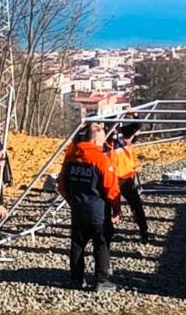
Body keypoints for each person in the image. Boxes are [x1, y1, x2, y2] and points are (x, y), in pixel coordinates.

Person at [57, 123, 121, 291]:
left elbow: (61, 184)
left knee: (77, 244)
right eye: (101, 140)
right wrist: (116, 209)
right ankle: (101, 280)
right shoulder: (100, 159)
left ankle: (76, 279)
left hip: (78, 208)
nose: (103, 144)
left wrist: (72, 201)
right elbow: (111, 188)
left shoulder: (71, 156)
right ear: (94, 140)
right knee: (101, 243)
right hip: (98, 210)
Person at [107, 121, 149, 244]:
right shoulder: (103, 135)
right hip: (112, 176)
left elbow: (138, 125)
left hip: (125, 176)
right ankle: (109, 232)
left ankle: (144, 231)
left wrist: (133, 114)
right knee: (108, 204)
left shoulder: (123, 132)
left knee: (135, 204)